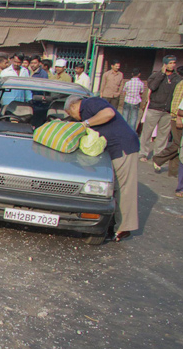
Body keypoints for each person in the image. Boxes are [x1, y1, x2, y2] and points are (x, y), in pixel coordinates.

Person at [64, 95, 140, 242]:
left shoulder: (91, 103)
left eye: (70, 113)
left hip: (122, 147)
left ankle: (123, 228)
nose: (74, 118)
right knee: (113, 186)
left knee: (123, 188)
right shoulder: (86, 111)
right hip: (110, 150)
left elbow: (109, 113)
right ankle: (113, 221)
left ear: (73, 106)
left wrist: (85, 123)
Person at [139, 55, 181, 163]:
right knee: (147, 132)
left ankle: (158, 156)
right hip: (154, 108)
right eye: (170, 63)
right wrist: (162, 74)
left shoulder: (177, 78)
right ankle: (143, 153)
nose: (173, 65)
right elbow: (152, 87)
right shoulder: (155, 76)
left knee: (163, 135)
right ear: (165, 64)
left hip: (167, 110)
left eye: (174, 63)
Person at [153, 65, 183, 175]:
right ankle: (158, 158)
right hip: (178, 118)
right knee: (178, 144)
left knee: (178, 145)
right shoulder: (181, 84)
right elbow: (176, 102)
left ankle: (174, 171)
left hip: (179, 117)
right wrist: (177, 117)